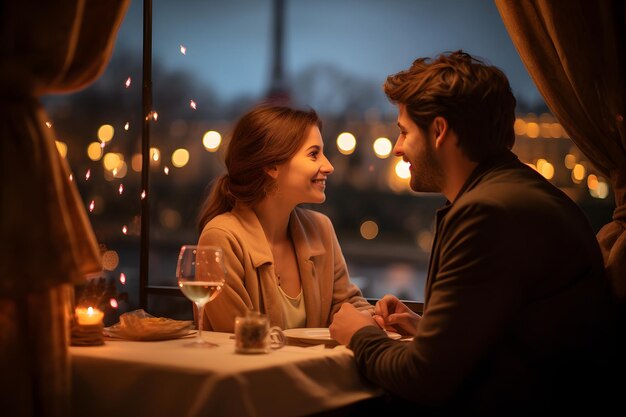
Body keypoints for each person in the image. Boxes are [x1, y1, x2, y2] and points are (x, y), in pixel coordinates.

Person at [329, 51, 618, 415]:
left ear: (438, 131)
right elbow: (524, 337)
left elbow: (423, 378)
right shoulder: (523, 194)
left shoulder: (488, 214)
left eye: (403, 132)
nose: (398, 148)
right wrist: (430, 331)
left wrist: (359, 334)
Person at [197, 104, 372, 332]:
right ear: (271, 165)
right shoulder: (221, 238)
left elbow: (346, 306)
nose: (328, 166)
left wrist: (377, 316)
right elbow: (239, 343)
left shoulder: (321, 228)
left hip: (313, 368)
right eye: (313, 154)